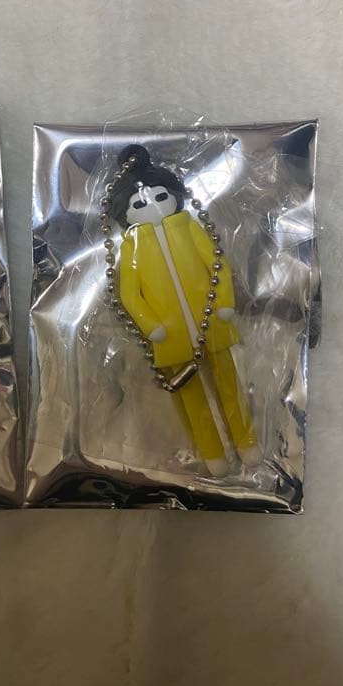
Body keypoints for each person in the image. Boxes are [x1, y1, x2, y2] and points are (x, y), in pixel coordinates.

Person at [111, 145, 259, 476]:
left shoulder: (190, 227)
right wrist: (150, 325)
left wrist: (224, 303)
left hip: (211, 321)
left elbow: (217, 264)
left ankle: (246, 441)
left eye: (159, 196)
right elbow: (129, 295)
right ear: (125, 212)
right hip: (170, 335)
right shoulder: (131, 246)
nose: (151, 206)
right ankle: (212, 454)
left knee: (229, 387)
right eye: (138, 204)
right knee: (191, 398)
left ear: (173, 196)